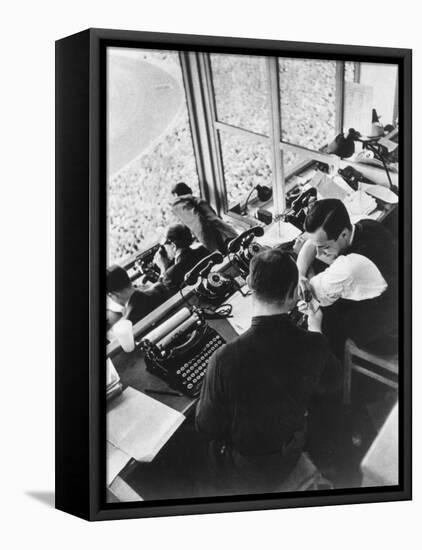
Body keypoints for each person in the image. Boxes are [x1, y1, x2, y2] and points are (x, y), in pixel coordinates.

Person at [195, 248, 340, 495]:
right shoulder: (314, 344)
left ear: (251, 289)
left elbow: (206, 427)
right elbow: (334, 381)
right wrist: (316, 330)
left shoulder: (223, 359)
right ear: (293, 295)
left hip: (248, 468)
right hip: (292, 447)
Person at [296, 198, 398, 357]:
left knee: (323, 318)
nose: (318, 254)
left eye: (325, 248)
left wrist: (307, 276)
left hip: (389, 329)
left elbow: (311, 295)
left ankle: (336, 369)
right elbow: (312, 243)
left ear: (343, 233)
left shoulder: (349, 267)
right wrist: (300, 274)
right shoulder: (362, 224)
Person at [171, 182, 238, 253]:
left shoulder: (178, 202)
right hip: (228, 232)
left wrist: (213, 248)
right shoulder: (195, 200)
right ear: (189, 189)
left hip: (217, 240)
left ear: (176, 194)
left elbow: (198, 222)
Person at [153, 223, 209, 294]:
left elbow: (162, 296)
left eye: (164, 246)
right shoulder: (203, 250)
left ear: (173, 245)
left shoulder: (170, 275)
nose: (164, 249)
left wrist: (163, 270)